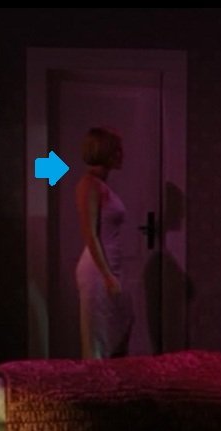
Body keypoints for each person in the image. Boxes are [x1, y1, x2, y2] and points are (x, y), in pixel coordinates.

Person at [75, 127, 133, 358]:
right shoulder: (88, 185)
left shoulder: (103, 185)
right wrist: (106, 275)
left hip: (111, 265)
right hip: (97, 269)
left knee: (120, 326)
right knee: (98, 338)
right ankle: (96, 378)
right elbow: (90, 233)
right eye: (117, 150)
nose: (121, 155)